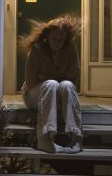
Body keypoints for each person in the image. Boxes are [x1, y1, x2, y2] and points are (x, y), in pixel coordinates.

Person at [19, 15, 82, 154]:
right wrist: (56, 77)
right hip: (34, 94)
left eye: (61, 39)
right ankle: (45, 139)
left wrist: (47, 76)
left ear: (66, 39)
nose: (57, 42)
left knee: (67, 85)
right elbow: (31, 81)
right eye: (54, 38)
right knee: (52, 84)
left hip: (59, 94)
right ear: (47, 36)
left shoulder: (71, 49)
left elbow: (74, 80)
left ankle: (75, 138)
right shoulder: (37, 48)